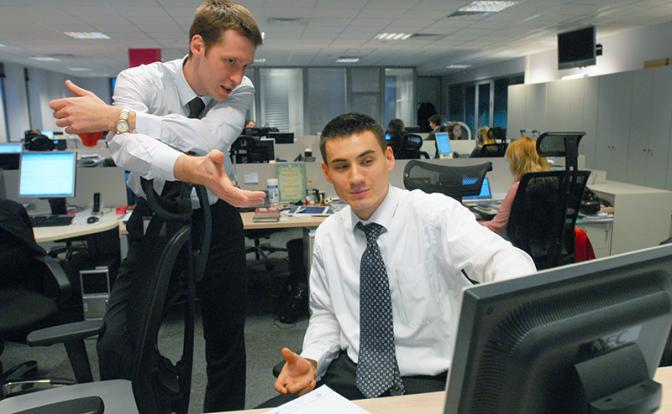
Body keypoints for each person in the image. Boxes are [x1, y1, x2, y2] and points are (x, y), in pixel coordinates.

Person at [47, 0, 264, 411]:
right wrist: (186, 165)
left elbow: (209, 140)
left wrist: (119, 117)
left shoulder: (242, 90)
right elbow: (128, 150)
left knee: (226, 341)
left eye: (245, 65)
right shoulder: (141, 79)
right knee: (120, 340)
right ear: (197, 46)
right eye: (230, 61)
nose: (237, 77)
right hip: (157, 218)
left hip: (216, 218)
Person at [270, 113, 536, 403]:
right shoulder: (328, 235)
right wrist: (312, 359)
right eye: (342, 166)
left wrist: (511, 327)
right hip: (353, 373)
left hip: (432, 378)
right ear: (326, 171)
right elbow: (326, 315)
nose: (355, 177)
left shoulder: (436, 215)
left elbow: (501, 259)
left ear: (388, 158)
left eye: (367, 161)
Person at [481, 136, 551, 235]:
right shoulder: (555, 182)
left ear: (517, 162)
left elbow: (497, 227)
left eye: (510, 160)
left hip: (518, 240)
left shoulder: (519, 187)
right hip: (547, 239)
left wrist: (472, 224)